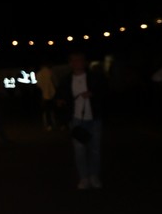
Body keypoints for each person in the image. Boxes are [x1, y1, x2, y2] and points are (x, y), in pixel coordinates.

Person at [63, 50, 109, 189]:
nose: (78, 62)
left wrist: (93, 94)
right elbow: (61, 96)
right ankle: (83, 177)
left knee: (95, 149)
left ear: (85, 62)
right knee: (80, 151)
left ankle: (94, 176)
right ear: (70, 63)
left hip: (94, 118)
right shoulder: (67, 80)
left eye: (80, 59)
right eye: (74, 60)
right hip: (77, 119)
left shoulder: (95, 77)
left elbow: (105, 92)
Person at [37, 61, 58, 129]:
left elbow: (38, 85)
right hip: (51, 94)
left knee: (45, 111)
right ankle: (53, 123)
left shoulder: (39, 73)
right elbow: (55, 82)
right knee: (51, 110)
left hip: (43, 94)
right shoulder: (50, 72)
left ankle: (47, 124)